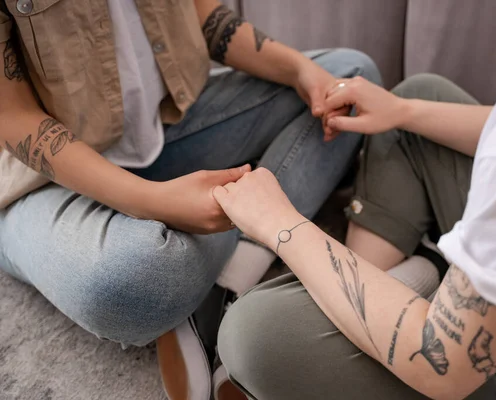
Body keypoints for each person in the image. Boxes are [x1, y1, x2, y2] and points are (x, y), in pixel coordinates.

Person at [216, 1, 496, 399]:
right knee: (417, 100)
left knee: (256, 334)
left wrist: (281, 225)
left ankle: (413, 285)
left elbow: (444, 367)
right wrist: (403, 111)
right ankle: (419, 276)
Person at [0, 0, 380, 398]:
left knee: (349, 84)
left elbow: (205, 18)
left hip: (169, 126)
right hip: (39, 179)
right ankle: (233, 235)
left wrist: (299, 70)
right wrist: (151, 201)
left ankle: (226, 287)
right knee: (131, 282)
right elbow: (11, 115)